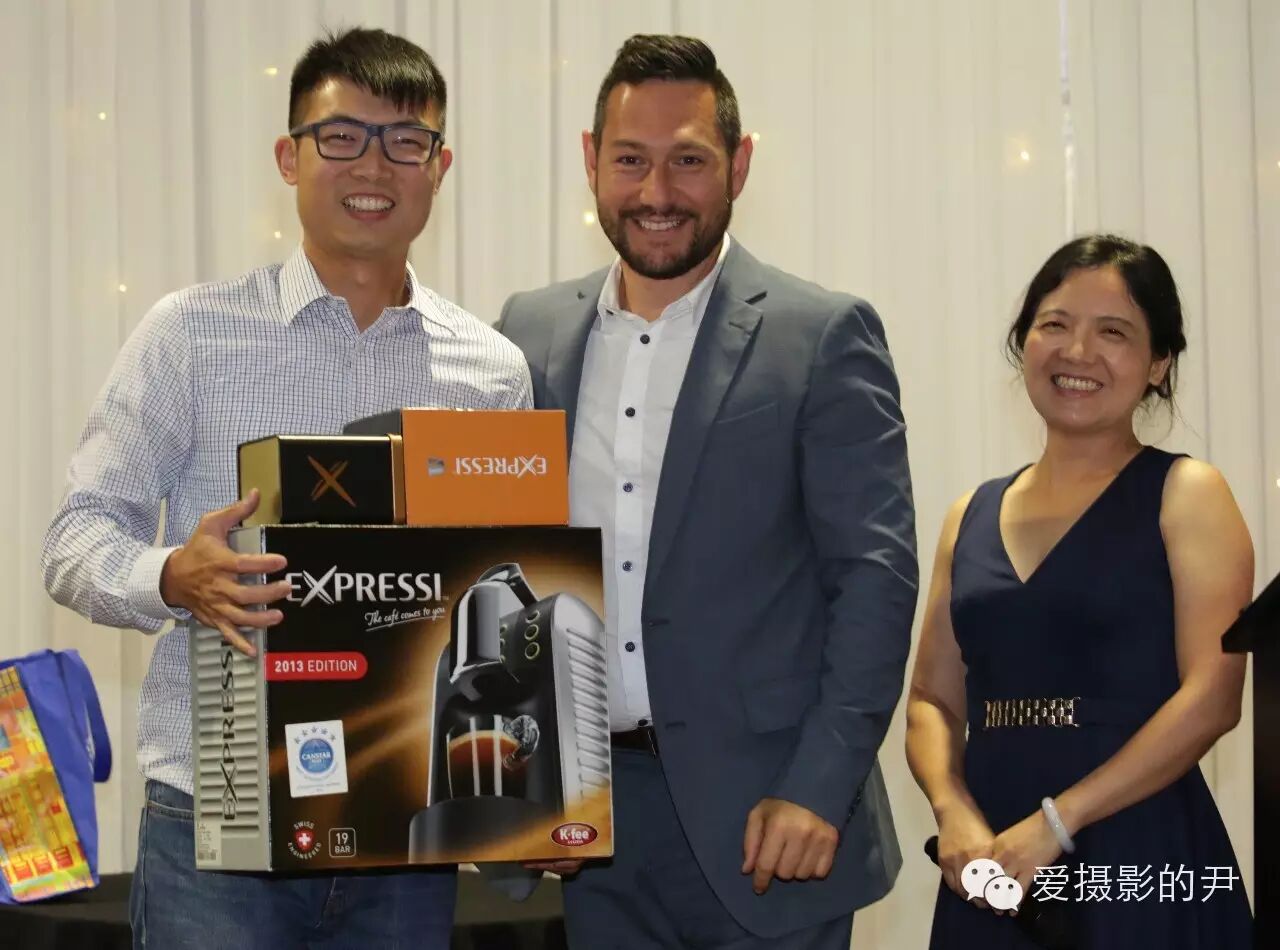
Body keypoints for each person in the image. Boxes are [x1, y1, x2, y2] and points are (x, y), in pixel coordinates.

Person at [41, 27, 531, 949]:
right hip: (219, 823)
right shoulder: (189, 335)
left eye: (406, 140)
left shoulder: (492, 371)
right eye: (341, 136)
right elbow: (76, 539)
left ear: (440, 166)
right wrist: (173, 577)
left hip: (403, 829)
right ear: (289, 156)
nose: (373, 166)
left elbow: (502, 593)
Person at [497, 33, 917, 950]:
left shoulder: (822, 334)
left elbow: (874, 582)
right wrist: (521, 793)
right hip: (589, 829)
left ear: (740, 163)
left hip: (770, 824)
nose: (657, 192)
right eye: (630, 160)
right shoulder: (526, 334)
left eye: (688, 160)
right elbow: (500, 563)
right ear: (590, 161)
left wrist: (820, 787)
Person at [905, 234, 1253, 948]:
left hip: (1137, 844)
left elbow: (1214, 697)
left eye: (1114, 332)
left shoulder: (1188, 493)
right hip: (991, 860)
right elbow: (932, 698)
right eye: (1055, 324)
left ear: (1158, 364)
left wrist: (1058, 823)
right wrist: (951, 809)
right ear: (1023, 342)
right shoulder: (968, 514)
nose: (1078, 351)